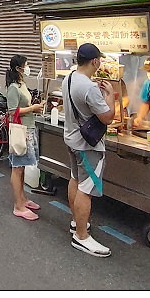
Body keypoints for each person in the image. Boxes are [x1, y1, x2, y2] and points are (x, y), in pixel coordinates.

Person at [62, 43, 116, 257]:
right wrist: (110, 95)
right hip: (87, 146)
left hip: (71, 140)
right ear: (94, 61)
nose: (101, 62)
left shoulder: (70, 78)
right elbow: (108, 117)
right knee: (86, 189)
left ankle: (77, 223)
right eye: (100, 59)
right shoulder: (89, 87)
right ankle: (82, 237)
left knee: (75, 179)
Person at [5, 54, 45, 221]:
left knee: (22, 167)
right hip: (20, 130)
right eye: (26, 65)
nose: (28, 68)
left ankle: (23, 198)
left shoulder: (22, 84)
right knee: (17, 167)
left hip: (28, 128)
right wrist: (33, 108)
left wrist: (34, 106)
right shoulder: (13, 87)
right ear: (18, 68)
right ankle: (18, 205)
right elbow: (12, 110)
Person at [133, 56, 150, 128]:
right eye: (148, 71)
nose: (149, 73)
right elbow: (145, 103)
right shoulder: (148, 83)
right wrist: (140, 117)